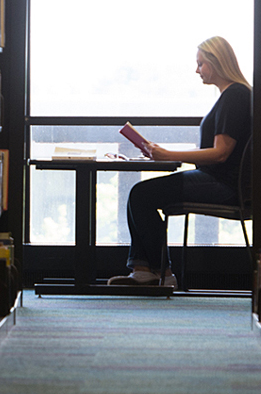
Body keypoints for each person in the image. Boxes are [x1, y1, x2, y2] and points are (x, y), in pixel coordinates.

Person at [108, 36, 252, 286]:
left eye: (201, 64)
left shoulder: (235, 96)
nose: (197, 70)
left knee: (142, 194)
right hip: (217, 180)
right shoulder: (231, 96)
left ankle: (160, 274)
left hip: (224, 185)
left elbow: (220, 153)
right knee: (141, 194)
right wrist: (162, 153)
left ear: (217, 62)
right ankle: (145, 270)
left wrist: (169, 155)